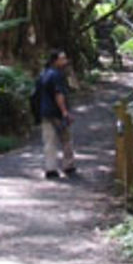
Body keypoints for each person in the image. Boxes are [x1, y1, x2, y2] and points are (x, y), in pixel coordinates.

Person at [38, 48, 76, 179]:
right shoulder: (57, 75)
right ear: (55, 61)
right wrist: (65, 112)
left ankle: (50, 168)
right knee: (66, 139)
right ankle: (68, 166)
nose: (65, 61)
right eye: (62, 59)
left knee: (49, 141)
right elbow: (58, 94)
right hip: (57, 113)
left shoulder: (43, 74)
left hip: (45, 112)